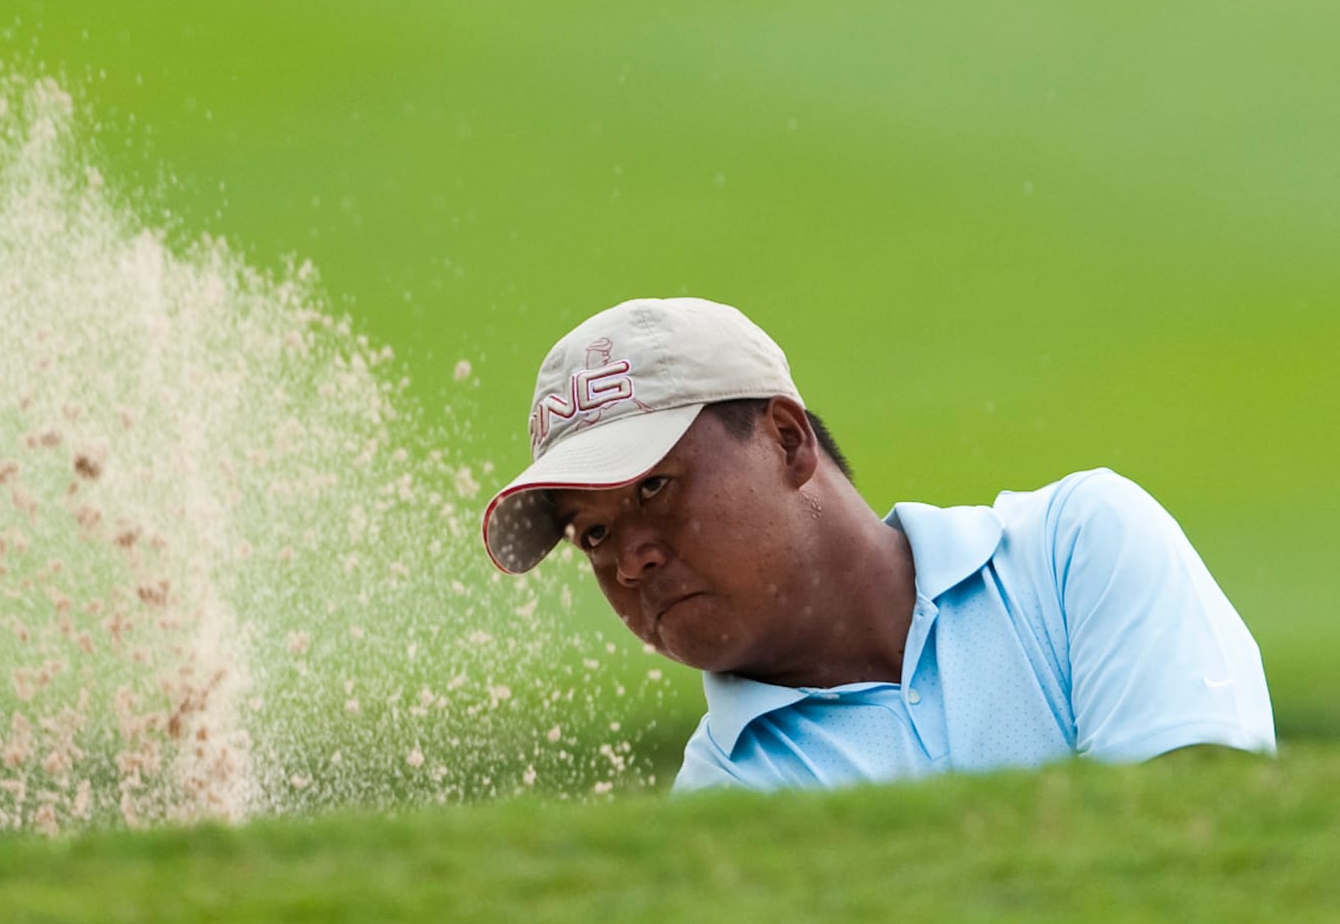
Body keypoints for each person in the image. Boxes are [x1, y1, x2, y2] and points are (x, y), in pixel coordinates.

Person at [481, 297, 1275, 792]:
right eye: (595, 533)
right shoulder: (721, 803)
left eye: (654, 487)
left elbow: (1202, 822)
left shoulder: (1078, 547)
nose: (630, 560)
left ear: (788, 440)